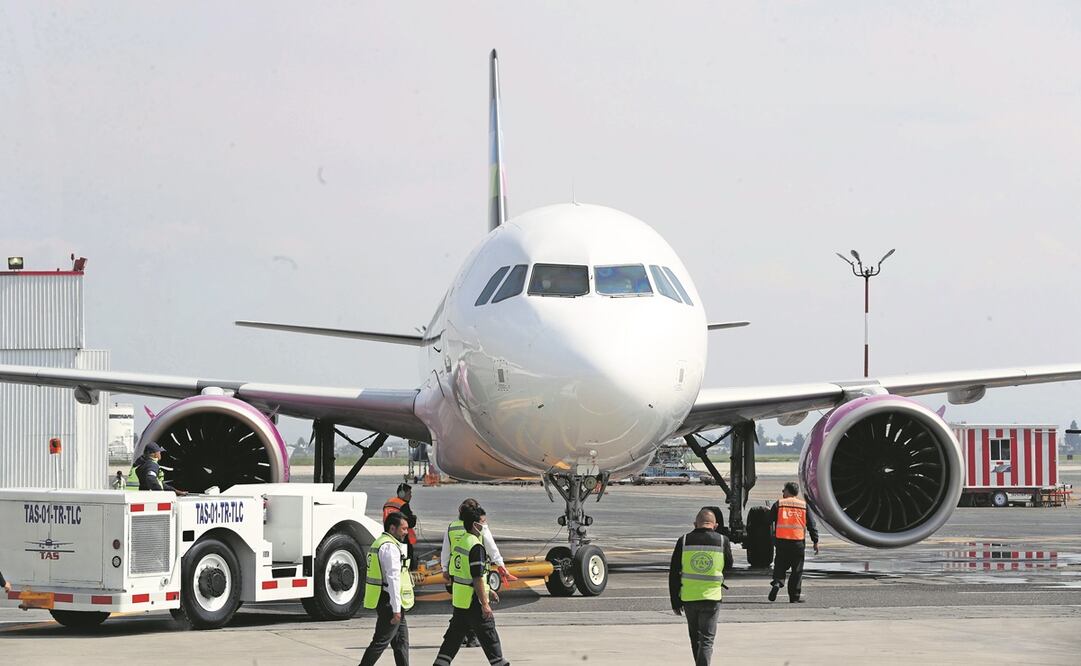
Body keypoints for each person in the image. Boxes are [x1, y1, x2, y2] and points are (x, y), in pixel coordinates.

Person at [433, 505, 510, 666]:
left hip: (461, 602)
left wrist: (488, 591)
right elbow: (476, 578)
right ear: (475, 524)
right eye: (483, 522)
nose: (485, 525)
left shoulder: (461, 542)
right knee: (491, 639)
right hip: (474, 601)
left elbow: (463, 573)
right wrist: (485, 603)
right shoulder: (475, 546)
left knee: (452, 641)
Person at [669, 508, 731, 666]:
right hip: (712, 597)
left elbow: (674, 574)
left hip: (689, 597)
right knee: (707, 641)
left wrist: (675, 602)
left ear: (695, 524)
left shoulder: (683, 541)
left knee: (695, 639)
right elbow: (729, 566)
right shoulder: (723, 541)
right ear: (715, 525)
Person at [359, 511, 415, 666]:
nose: (406, 532)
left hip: (390, 601)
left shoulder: (381, 542)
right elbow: (393, 580)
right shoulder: (389, 548)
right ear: (392, 528)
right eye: (403, 529)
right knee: (380, 642)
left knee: (401, 643)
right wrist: (396, 610)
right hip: (390, 603)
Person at [768, 481, 819, 603]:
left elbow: (768, 520)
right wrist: (815, 541)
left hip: (782, 542)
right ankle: (794, 597)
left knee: (780, 564)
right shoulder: (803, 505)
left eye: (783, 490)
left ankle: (777, 582)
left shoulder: (779, 504)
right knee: (797, 570)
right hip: (798, 543)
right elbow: (812, 525)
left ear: (788, 491)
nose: (782, 492)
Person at [383, 484, 418, 570]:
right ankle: (408, 570)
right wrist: (414, 518)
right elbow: (410, 523)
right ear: (402, 494)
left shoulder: (388, 502)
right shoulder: (403, 505)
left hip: (388, 533)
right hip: (400, 535)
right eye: (409, 494)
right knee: (407, 554)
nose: (411, 496)